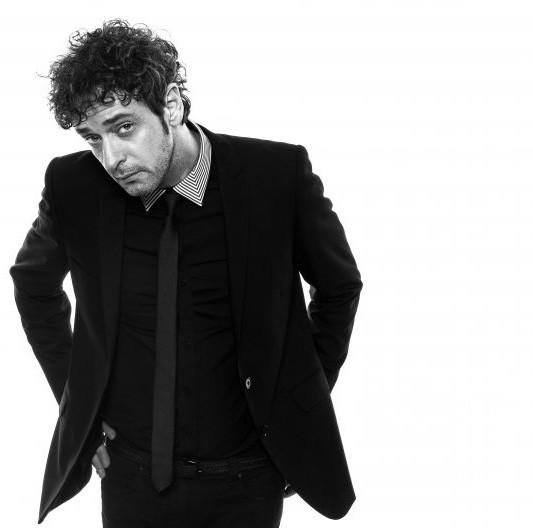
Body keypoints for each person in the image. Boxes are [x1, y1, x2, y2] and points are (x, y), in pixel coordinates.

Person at [9, 18, 363, 527]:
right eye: (93, 138)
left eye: (123, 127)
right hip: (130, 475)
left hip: (249, 477)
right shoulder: (74, 187)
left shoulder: (276, 177)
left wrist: (296, 403)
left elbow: (338, 285)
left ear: (171, 104)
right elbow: (33, 284)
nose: (112, 158)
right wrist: (77, 403)